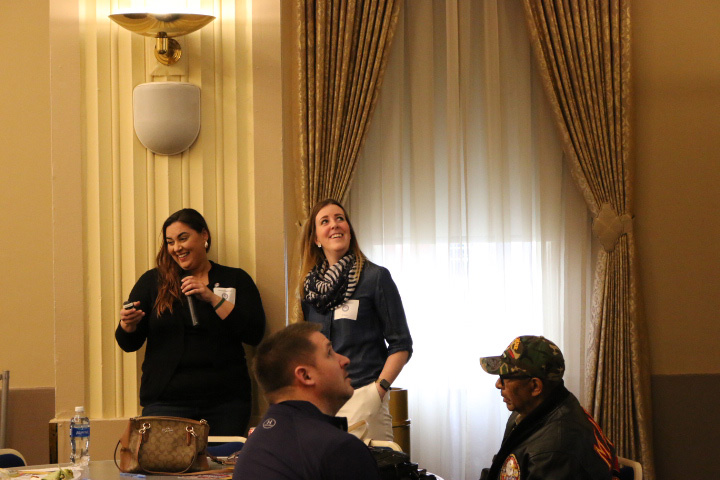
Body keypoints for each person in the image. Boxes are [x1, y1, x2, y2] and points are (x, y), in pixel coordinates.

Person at [115, 208, 265, 436]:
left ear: (204, 235)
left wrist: (212, 298)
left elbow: (254, 333)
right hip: (166, 402)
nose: (177, 248)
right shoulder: (152, 282)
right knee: (165, 468)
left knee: (219, 468)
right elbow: (128, 343)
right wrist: (128, 325)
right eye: (170, 242)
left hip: (225, 402)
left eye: (183, 238)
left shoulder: (235, 279)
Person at [297, 199, 413, 440]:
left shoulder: (375, 277)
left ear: (349, 230)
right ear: (316, 239)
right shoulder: (309, 289)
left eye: (340, 218)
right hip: (322, 403)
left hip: (364, 396)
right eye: (325, 221)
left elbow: (401, 344)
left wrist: (377, 391)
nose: (335, 225)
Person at [232, 322, 381, 480]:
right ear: (305, 376)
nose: (344, 360)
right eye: (329, 353)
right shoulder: (339, 449)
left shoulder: (254, 445)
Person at [479, 335, 620, 480]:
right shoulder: (530, 410)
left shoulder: (556, 449)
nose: (498, 384)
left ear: (535, 386)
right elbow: (501, 467)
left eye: (505, 377)